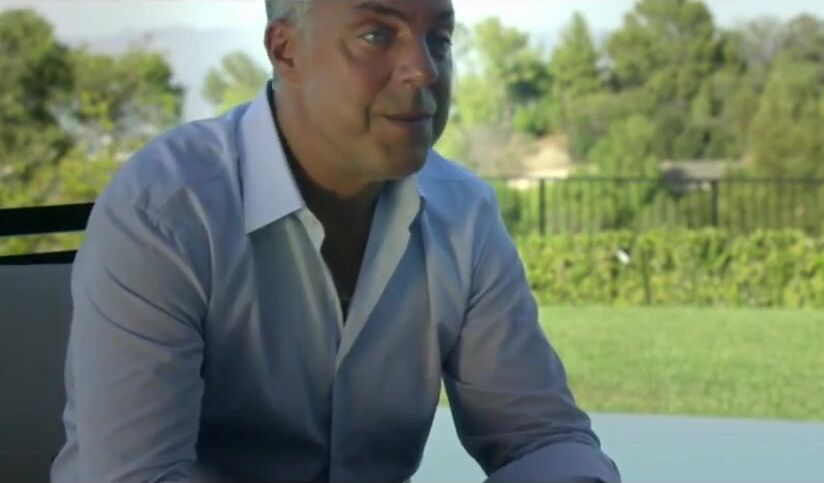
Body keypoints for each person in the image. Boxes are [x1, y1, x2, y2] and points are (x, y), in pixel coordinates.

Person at [51, 0, 619, 481]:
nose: (424, 71)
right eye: (377, 35)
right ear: (285, 51)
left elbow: (538, 438)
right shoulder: (167, 215)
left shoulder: (463, 214)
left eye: (439, 39)